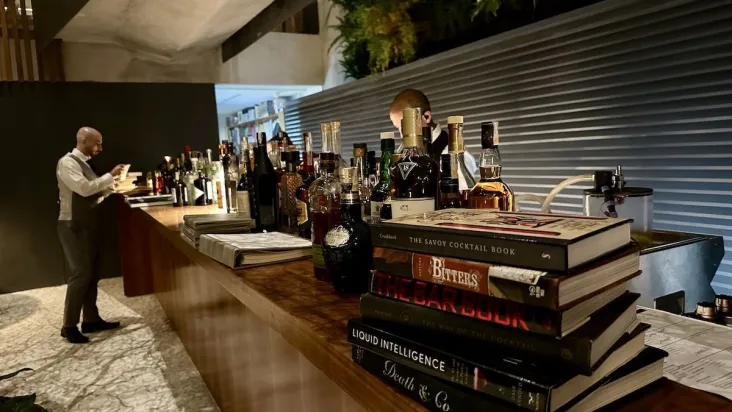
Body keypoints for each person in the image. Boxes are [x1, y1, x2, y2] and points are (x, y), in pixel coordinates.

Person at [56, 127, 126, 344]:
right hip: (72, 225)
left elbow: (95, 193)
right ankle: (69, 326)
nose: (100, 148)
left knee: (92, 274)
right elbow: (84, 189)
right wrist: (109, 176)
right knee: (81, 274)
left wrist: (112, 186)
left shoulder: (85, 164)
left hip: (87, 225)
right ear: (83, 141)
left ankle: (91, 319)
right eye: (97, 143)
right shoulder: (67, 163)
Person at [388, 88, 478, 175]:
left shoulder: (453, 155)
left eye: (406, 126)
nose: (402, 135)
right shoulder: (403, 152)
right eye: (398, 128)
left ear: (426, 117)